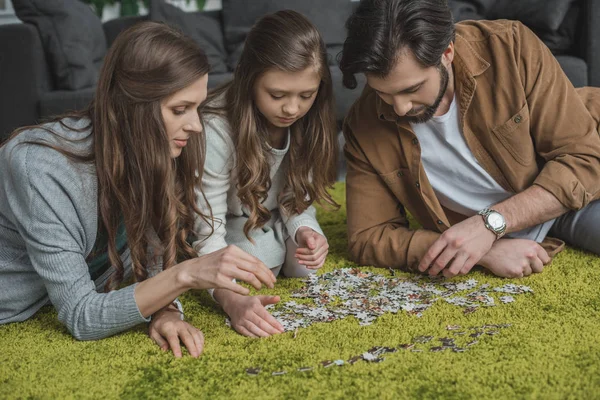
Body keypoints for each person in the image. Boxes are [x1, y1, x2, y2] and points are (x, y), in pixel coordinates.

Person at [0, 22, 276, 358]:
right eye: (180, 109)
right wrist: (185, 274)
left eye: (197, 108)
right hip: (14, 307)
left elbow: (153, 249)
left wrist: (166, 311)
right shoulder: (39, 166)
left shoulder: (159, 145)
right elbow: (81, 316)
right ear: (134, 106)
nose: (195, 125)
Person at [338, 0, 600, 279]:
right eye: (383, 93)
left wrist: (488, 225)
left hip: (574, 193)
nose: (399, 108)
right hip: (524, 222)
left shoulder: (509, 46)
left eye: (412, 89)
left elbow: (583, 160)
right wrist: (480, 250)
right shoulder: (364, 123)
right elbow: (368, 236)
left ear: (447, 52)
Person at [193, 10, 338, 338]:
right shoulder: (215, 129)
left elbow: (296, 197)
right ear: (248, 78)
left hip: (267, 216)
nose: (292, 109)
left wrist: (305, 231)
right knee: (256, 263)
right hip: (221, 220)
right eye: (277, 95)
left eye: (306, 95)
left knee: (305, 265)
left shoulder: (307, 120)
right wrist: (230, 301)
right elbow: (207, 230)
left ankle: (282, 239)